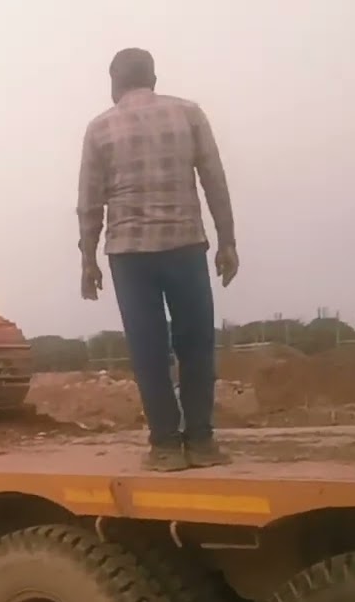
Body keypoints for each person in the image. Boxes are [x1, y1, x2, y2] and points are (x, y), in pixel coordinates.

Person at [75, 48, 239, 472]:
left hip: (129, 255)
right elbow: (214, 181)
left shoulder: (100, 128)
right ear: (153, 76)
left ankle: (166, 446)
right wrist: (228, 241)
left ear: (115, 81)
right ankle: (201, 442)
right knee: (197, 345)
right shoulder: (188, 113)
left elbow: (90, 203)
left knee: (148, 350)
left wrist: (87, 260)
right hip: (185, 244)